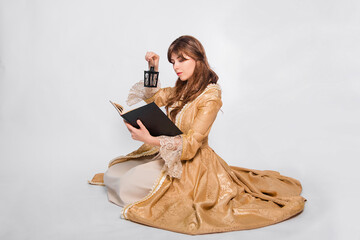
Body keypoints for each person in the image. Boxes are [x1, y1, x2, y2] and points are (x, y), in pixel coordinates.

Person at [89, 35, 306, 235]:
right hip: (167, 152)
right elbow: (153, 100)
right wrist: (153, 68)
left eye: (181, 60)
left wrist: (150, 140)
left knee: (126, 185)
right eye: (172, 61)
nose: (176, 67)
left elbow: (192, 142)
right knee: (114, 172)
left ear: (198, 59)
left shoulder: (211, 95)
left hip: (192, 163)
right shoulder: (181, 88)